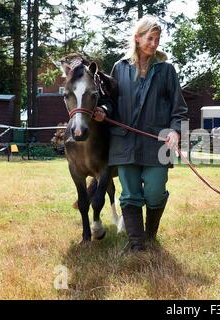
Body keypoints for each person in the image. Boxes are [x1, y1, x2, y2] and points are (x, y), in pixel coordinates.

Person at [93, 15, 188, 252]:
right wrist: (103, 111)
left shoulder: (167, 70)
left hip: (158, 144)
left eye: (157, 39)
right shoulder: (120, 67)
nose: (154, 44)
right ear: (137, 38)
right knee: (131, 194)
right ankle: (137, 244)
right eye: (149, 38)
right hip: (124, 143)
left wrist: (175, 131)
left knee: (155, 192)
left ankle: (150, 234)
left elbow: (180, 109)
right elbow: (109, 102)